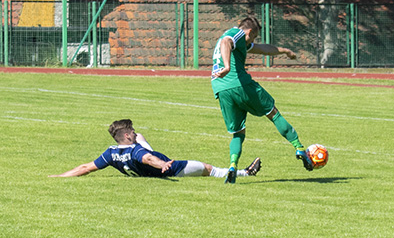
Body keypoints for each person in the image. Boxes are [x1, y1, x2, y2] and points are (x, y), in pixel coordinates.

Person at [211, 15, 313, 184]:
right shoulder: (236, 33)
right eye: (254, 36)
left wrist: (284, 51)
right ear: (249, 31)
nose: (254, 40)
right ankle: (299, 147)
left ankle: (232, 166)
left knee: (238, 133)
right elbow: (225, 43)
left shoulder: (240, 41)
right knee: (273, 113)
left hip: (220, 89)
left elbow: (263, 49)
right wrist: (228, 67)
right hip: (239, 83)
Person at [49, 119, 261, 179]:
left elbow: (85, 167)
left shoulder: (110, 152)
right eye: (131, 131)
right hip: (170, 168)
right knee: (208, 168)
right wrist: (164, 164)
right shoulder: (136, 152)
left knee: (142, 138)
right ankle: (244, 172)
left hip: (143, 167)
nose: (133, 132)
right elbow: (148, 158)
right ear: (125, 136)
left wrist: (61, 175)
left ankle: (243, 171)